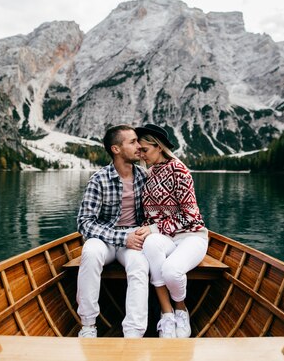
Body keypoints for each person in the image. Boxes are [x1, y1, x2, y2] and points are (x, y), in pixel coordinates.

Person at [134, 124, 208, 338]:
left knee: (171, 270)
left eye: (145, 150)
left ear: (158, 147)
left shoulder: (179, 170)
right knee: (150, 243)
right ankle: (166, 314)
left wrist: (154, 227)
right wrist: (142, 230)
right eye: (139, 151)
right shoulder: (148, 175)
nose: (142, 155)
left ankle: (181, 309)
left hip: (192, 236)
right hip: (165, 238)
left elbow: (190, 215)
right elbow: (149, 217)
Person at [76, 124, 150, 338]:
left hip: (133, 239)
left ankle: (133, 333)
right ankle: (88, 325)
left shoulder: (144, 177)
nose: (139, 146)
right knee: (89, 252)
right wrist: (121, 237)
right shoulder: (99, 179)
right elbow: (84, 222)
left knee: (139, 265)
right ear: (116, 149)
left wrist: (138, 234)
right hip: (105, 239)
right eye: (133, 142)